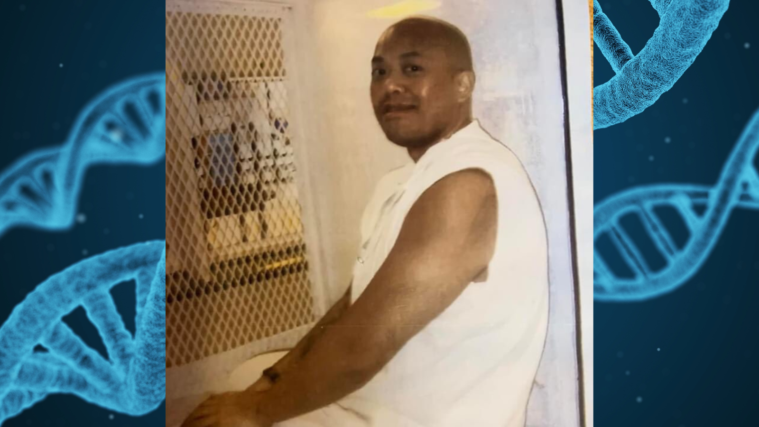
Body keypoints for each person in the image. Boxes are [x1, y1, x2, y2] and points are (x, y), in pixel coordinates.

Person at [182, 16, 548, 427]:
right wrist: (273, 379)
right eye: (379, 71)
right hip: (373, 404)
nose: (391, 85)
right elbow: (354, 306)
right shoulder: (403, 184)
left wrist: (256, 411)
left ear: (463, 85)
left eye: (412, 68)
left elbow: (364, 346)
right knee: (246, 376)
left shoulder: (466, 186)